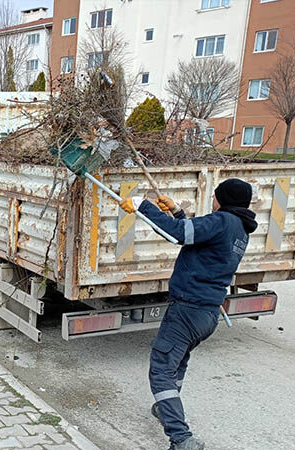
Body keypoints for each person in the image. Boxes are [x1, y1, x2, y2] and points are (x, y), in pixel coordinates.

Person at [120, 178, 258, 450]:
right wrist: (177, 212)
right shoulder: (240, 227)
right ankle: (166, 408)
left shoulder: (222, 221)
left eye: (216, 196)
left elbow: (179, 235)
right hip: (206, 314)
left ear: (222, 199)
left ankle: (181, 438)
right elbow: (200, 238)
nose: (214, 200)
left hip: (188, 309)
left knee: (161, 368)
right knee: (177, 363)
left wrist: (141, 205)